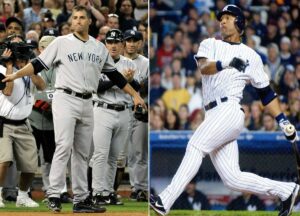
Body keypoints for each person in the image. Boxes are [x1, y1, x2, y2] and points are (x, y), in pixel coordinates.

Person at [150, 5, 299, 216]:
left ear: (239, 23)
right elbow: (204, 68)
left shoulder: (251, 56)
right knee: (232, 178)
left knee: (195, 146)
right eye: (222, 18)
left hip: (229, 109)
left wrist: (282, 120)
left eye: (228, 18)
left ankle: (165, 201)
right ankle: (287, 190)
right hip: (213, 113)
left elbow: (266, 93)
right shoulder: (209, 43)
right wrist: (226, 63)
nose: (222, 21)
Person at [3, 5, 146, 213]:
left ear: (89, 21)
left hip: (88, 100)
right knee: (63, 145)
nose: (78, 21)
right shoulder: (61, 42)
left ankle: (81, 199)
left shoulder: (98, 47)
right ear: (71, 22)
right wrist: (15, 75)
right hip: (65, 97)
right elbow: (37, 64)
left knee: (82, 153)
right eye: (75, 17)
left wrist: (135, 95)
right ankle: (53, 194)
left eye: (82, 17)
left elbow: (115, 75)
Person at [91, 29, 139, 206]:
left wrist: (130, 81)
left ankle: (108, 192)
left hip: (124, 111)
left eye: (117, 42)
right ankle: (96, 192)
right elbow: (97, 86)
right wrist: (119, 80)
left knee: (114, 157)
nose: (113, 45)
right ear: (105, 44)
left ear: (122, 45)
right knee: (100, 154)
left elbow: (137, 88)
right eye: (110, 42)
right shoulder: (98, 61)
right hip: (102, 110)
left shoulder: (128, 63)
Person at [0, 35, 46, 208]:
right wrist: (10, 66)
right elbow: (8, 92)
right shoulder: (2, 69)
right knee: (3, 160)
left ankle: (22, 196)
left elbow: (42, 86)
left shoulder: (30, 68)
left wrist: (28, 68)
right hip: (3, 123)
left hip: (23, 123)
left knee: (30, 165)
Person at [28, 35, 72, 204]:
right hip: (33, 119)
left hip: (54, 121)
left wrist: (46, 98)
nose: (46, 50)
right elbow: (34, 94)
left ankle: (54, 190)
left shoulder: (62, 66)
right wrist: (46, 99)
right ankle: (26, 191)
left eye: (50, 46)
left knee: (53, 158)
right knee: (30, 159)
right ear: (39, 49)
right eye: (43, 47)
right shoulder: (33, 66)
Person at [123, 29, 149, 201]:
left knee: (140, 152)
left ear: (140, 43)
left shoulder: (146, 63)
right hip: (120, 109)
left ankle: (139, 188)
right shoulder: (117, 61)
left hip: (139, 112)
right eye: (129, 40)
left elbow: (146, 88)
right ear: (124, 42)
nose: (132, 43)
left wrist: (134, 83)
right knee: (126, 154)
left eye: (135, 40)